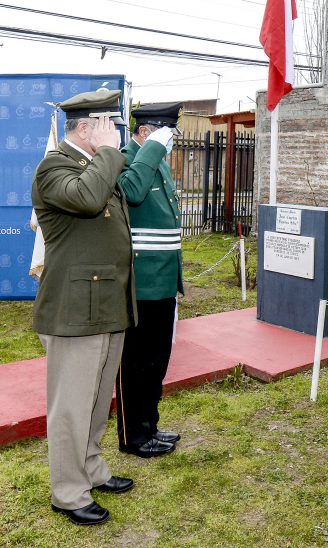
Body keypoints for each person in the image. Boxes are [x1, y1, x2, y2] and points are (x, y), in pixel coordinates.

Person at [31, 89, 136, 525]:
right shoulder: (54, 167)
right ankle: (69, 492)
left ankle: (91, 468)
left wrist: (109, 157)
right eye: (109, 125)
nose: (116, 134)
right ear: (85, 127)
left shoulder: (95, 166)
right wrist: (108, 155)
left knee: (96, 401)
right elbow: (90, 200)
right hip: (75, 308)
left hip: (108, 301)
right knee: (72, 405)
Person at [114, 102, 184, 458]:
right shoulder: (128, 158)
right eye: (166, 133)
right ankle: (133, 436)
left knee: (157, 359)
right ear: (145, 132)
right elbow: (133, 192)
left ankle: (150, 426)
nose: (171, 141)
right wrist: (153, 148)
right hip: (139, 282)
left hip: (163, 278)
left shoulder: (154, 160)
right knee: (135, 363)